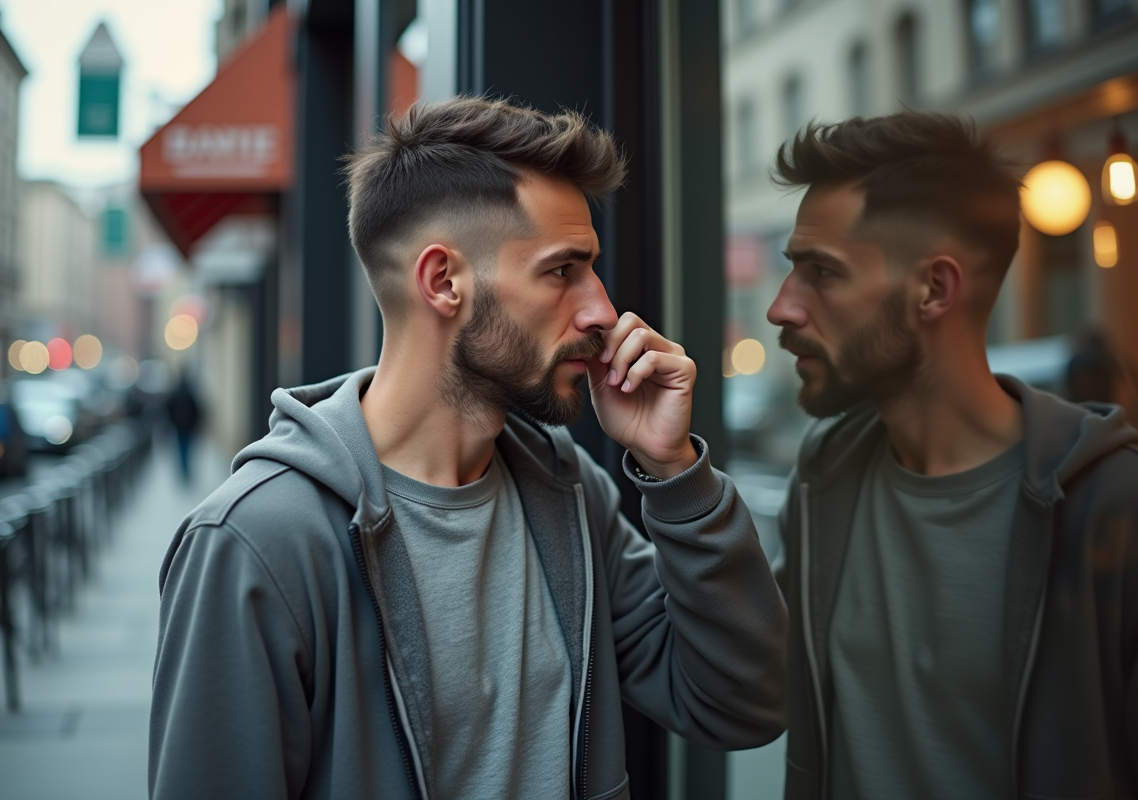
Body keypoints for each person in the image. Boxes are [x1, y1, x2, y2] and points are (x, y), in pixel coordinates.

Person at [149, 96, 787, 800]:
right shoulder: (256, 542)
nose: (602, 310)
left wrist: (676, 474)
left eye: (592, 268)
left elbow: (743, 702)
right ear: (443, 281)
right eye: (561, 270)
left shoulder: (567, 491)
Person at [766, 113, 1138, 799]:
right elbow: (748, 689)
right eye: (793, 268)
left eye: (822, 272)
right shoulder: (826, 477)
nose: (781, 308)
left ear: (934, 289)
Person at [164, 372, 202, 482]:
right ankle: (186, 470)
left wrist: (171, 422)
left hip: (178, 426)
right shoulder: (190, 394)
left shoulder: (174, 393)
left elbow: (168, 409)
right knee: (188, 449)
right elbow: (197, 410)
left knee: (180, 449)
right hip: (189, 426)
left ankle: (182, 470)